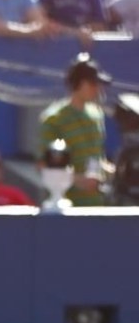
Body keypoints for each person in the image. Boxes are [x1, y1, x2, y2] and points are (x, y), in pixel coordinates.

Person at [38, 53, 113, 207]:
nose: (98, 89)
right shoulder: (54, 118)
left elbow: (96, 157)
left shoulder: (96, 114)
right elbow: (44, 166)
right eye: (93, 83)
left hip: (99, 204)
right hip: (67, 207)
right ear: (79, 84)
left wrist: (114, 172)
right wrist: (79, 180)